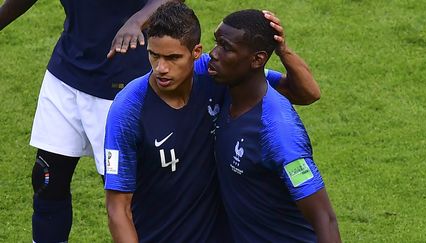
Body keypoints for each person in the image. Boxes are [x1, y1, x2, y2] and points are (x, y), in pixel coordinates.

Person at [104, 2, 321, 243]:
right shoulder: (128, 109)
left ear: (196, 52)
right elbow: (117, 208)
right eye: (154, 56)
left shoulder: (215, 73)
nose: (161, 68)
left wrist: (281, 50)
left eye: (173, 57)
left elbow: (306, 93)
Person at [0, 0, 181, 242]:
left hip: (121, 84)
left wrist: (138, 20)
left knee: (127, 195)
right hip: (66, 72)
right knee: (47, 180)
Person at [209, 9, 341, 242]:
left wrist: (283, 50)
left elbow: (324, 217)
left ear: (257, 59)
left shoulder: (278, 131)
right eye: (216, 43)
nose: (213, 53)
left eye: (225, 47)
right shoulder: (238, 84)